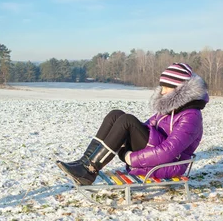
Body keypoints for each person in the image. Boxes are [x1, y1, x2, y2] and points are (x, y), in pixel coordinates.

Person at [57, 63, 208, 185]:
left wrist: (131, 158)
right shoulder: (171, 107)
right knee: (115, 115)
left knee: (127, 120)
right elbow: (148, 126)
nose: (162, 91)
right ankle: (85, 163)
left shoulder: (191, 116)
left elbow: (168, 151)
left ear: (180, 90)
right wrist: (126, 135)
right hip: (155, 151)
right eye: (162, 86)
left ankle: (89, 170)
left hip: (169, 163)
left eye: (167, 87)